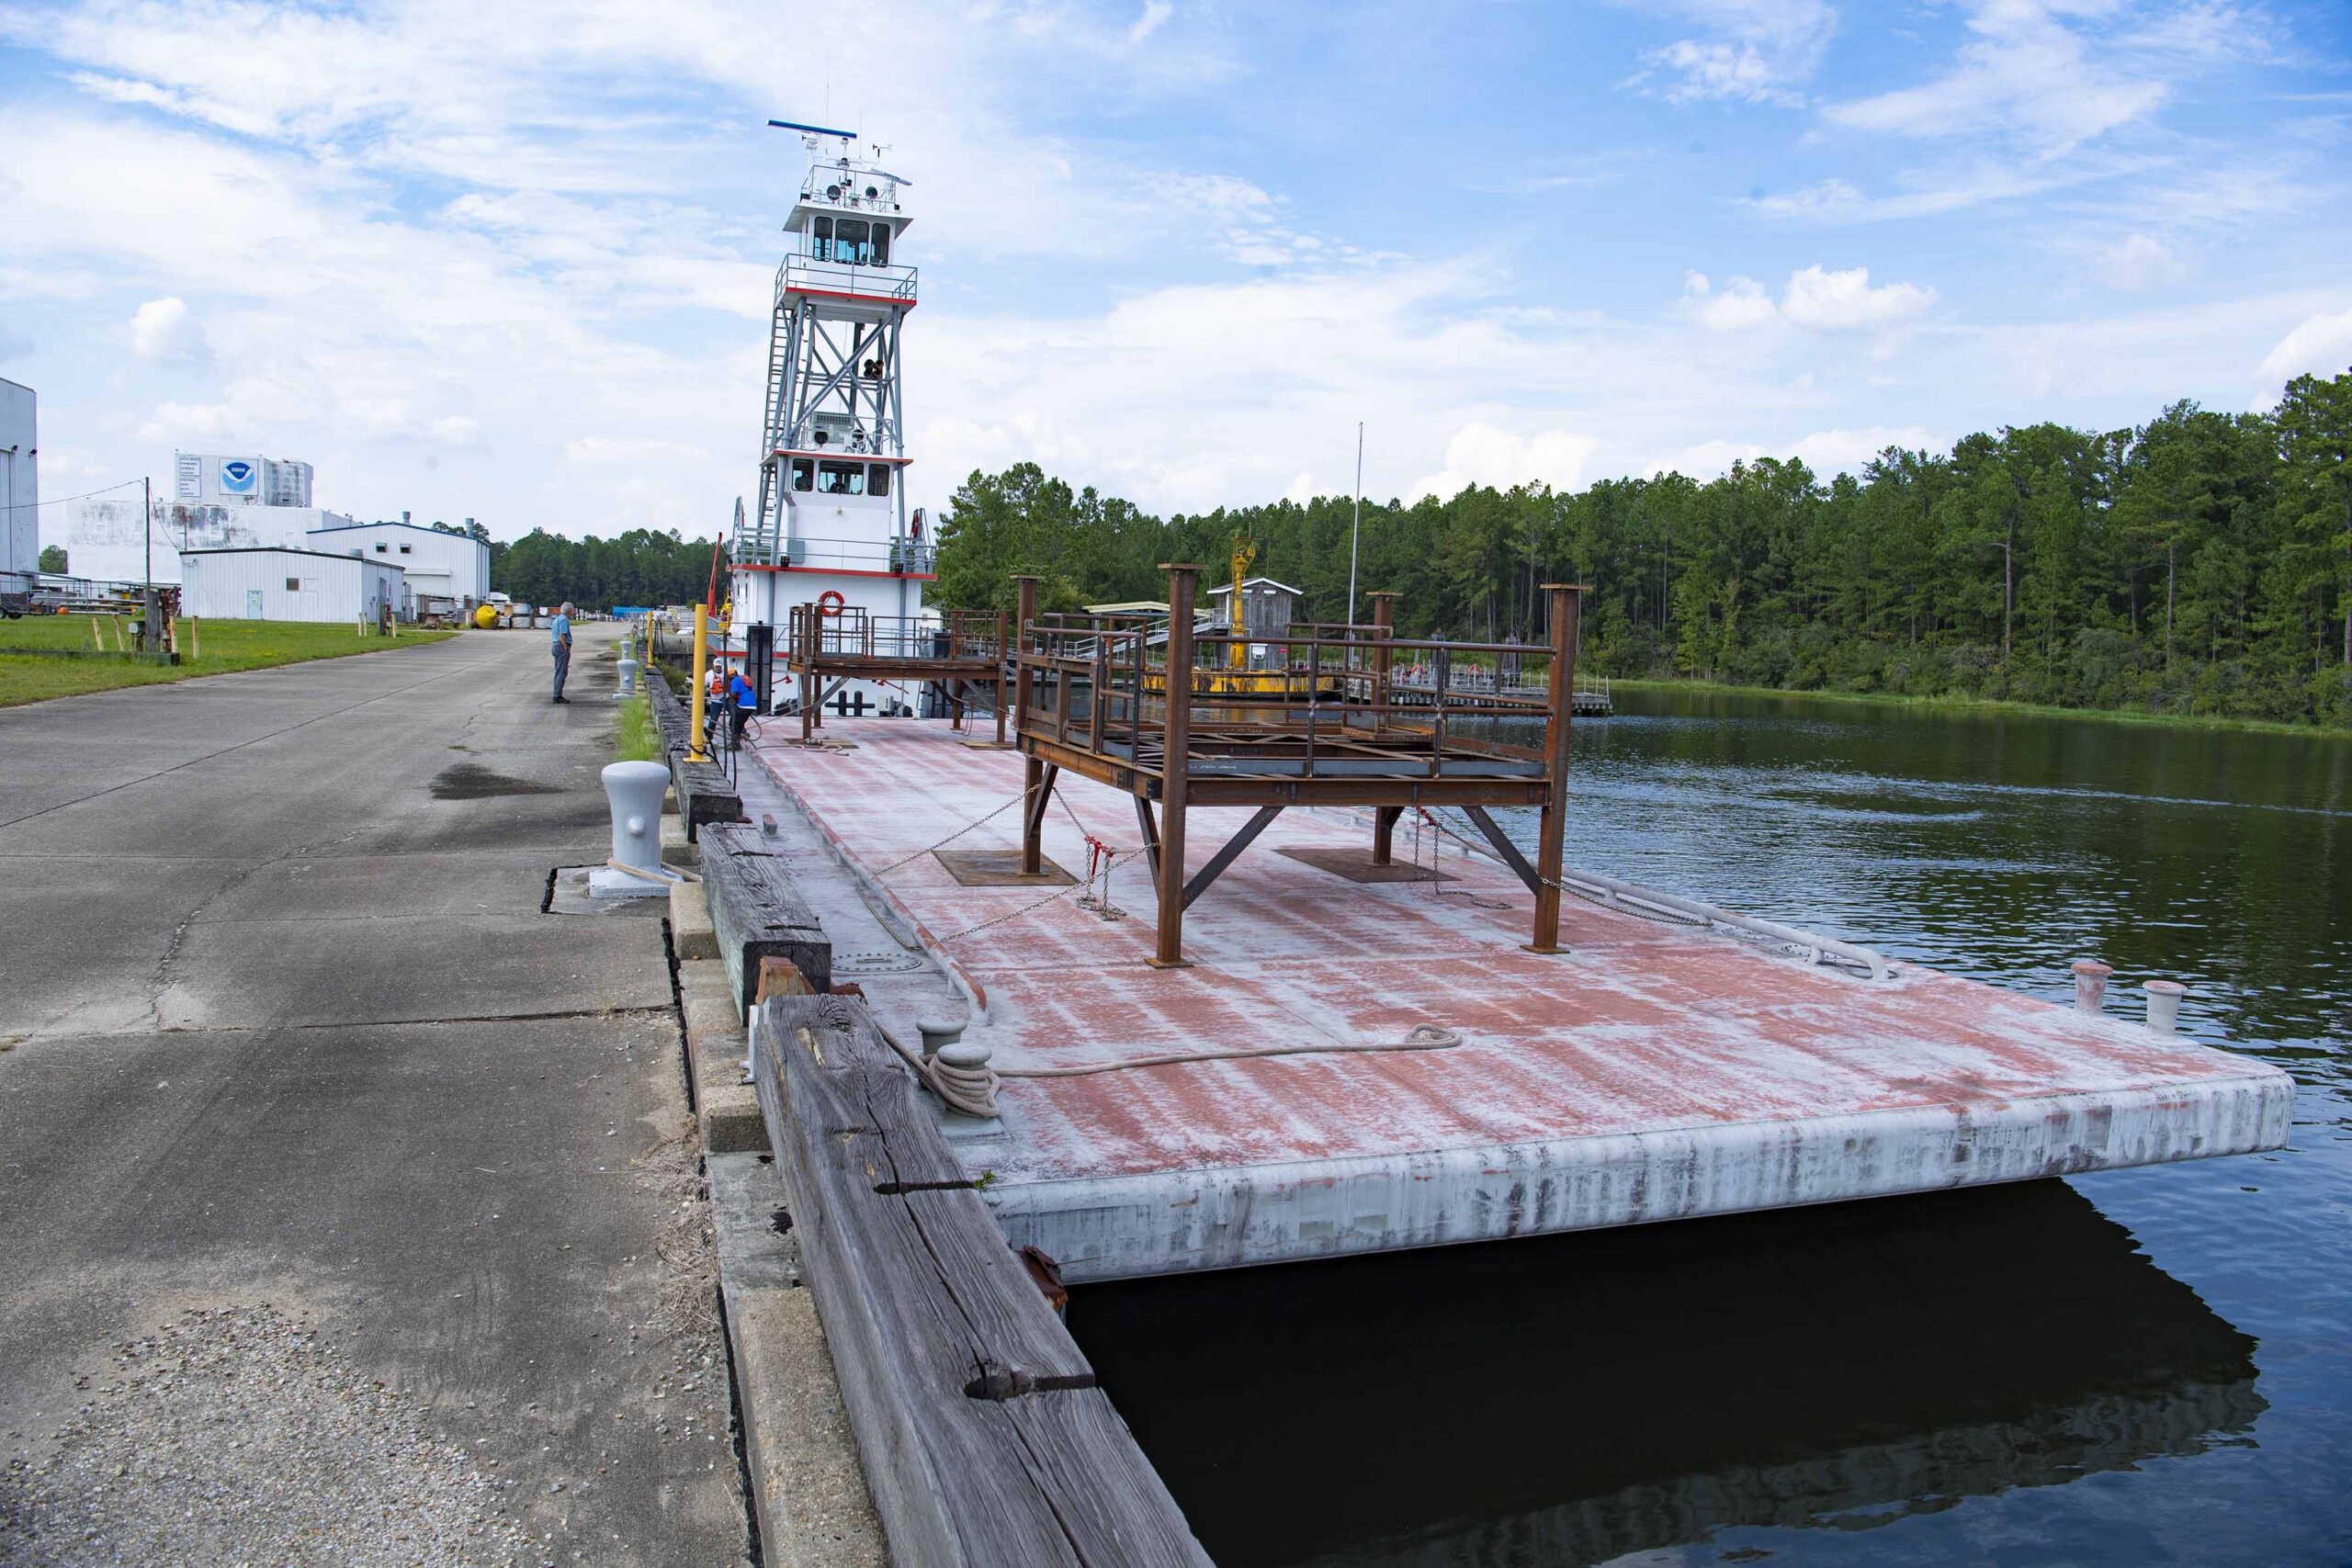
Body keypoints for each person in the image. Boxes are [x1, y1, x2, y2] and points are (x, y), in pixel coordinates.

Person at [549, 601, 573, 703]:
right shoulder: (564, 620)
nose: (573, 613)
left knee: (558, 670)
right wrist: (566, 647)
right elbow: (562, 635)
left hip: (555, 645)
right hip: (561, 646)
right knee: (561, 672)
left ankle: (557, 693)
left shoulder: (557, 619)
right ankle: (557, 695)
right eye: (572, 611)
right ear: (569, 611)